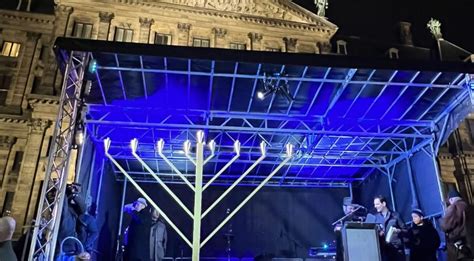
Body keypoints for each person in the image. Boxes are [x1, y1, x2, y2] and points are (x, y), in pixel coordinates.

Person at [440, 189, 473, 261]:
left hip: (460, 249)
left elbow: (445, 226)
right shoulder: (470, 207)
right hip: (470, 245)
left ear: (451, 199)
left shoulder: (454, 207)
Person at [373, 195, 406, 261]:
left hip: (397, 250)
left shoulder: (395, 215)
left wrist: (398, 231)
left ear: (384, 204)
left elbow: (405, 230)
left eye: (377, 204)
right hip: (384, 251)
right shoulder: (375, 218)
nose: (375, 206)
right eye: (374, 204)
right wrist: (379, 234)